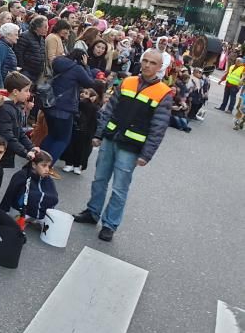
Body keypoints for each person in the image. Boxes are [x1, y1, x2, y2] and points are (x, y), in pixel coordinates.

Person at [73, 49, 172, 241]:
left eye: (153, 63)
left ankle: (110, 224)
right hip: (111, 138)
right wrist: (99, 133)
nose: (147, 65)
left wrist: (146, 155)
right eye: (145, 61)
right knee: (99, 179)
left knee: (119, 188)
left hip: (131, 146)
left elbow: (158, 127)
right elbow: (109, 108)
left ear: (160, 68)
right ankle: (93, 212)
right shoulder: (128, 81)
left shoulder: (163, 93)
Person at [44, 49, 97, 164]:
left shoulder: (58, 62)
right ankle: (46, 165)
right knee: (62, 139)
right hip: (65, 108)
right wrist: (86, 66)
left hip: (50, 103)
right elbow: (90, 83)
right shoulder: (77, 69)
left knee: (51, 135)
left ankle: (37, 161)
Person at [0, 71, 36, 168]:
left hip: (4, 153)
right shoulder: (5, 110)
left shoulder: (15, 107)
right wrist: (25, 153)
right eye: (26, 90)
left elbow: (19, 131)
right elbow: (7, 136)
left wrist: (31, 147)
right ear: (15, 92)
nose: (29, 94)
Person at [0, 150, 59, 223]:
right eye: (44, 165)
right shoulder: (22, 175)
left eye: (49, 166)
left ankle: (38, 217)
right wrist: (2, 212)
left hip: (38, 213)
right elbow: (9, 193)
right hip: (19, 211)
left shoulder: (46, 178)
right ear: (34, 165)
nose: (47, 169)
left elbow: (54, 197)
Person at [62, 84, 104, 174]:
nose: (82, 94)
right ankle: (69, 163)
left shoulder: (93, 107)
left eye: (86, 93)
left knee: (80, 149)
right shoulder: (77, 103)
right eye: (82, 92)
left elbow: (94, 121)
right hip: (73, 127)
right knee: (70, 147)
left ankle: (77, 165)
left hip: (84, 131)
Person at [15, 15, 48, 83]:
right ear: (37, 27)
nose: (47, 29)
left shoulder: (41, 38)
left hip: (37, 72)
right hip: (27, 72)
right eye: (45, 27)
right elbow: (19, 53)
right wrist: (23, 69)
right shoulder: (25, 36)